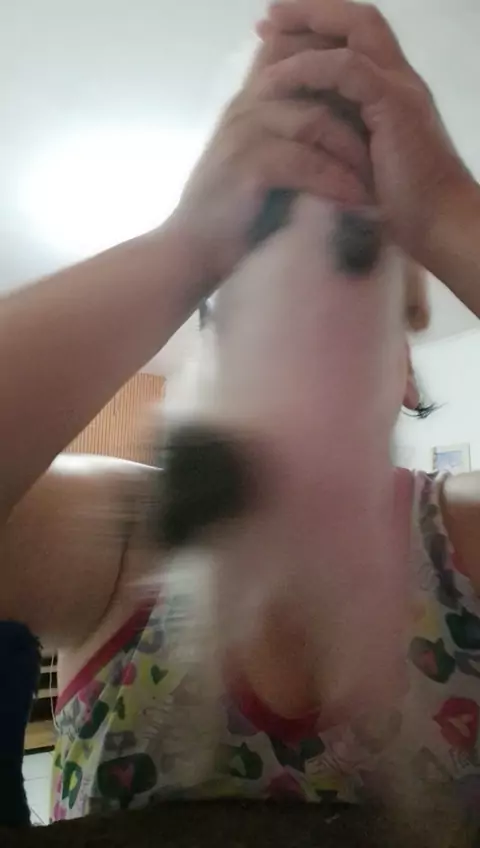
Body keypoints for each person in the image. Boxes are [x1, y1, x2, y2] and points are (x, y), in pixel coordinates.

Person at [1, 0, 480, 823]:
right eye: (250, 295)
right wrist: (182, 247)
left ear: (406, 364)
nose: (299, 330)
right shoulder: (115, 537)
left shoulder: (465, 543)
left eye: (351, 265)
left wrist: (445, 208)